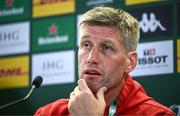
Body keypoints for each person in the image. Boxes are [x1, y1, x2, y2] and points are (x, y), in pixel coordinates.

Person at [35, 7, 175, 115]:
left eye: (106, 47)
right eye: (86, 45)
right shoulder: (48, 113)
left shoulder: (158, 114)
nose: (91, 58)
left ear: (130, 62)